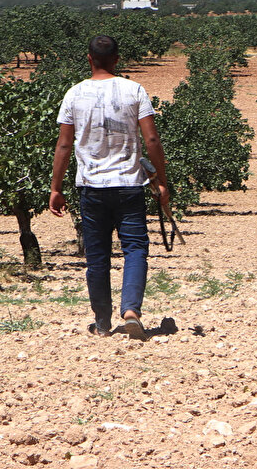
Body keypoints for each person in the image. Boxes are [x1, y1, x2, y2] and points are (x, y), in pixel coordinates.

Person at [49, 35, 169, 340]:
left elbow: (64, 145)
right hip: (129, 184)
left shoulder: (74, 94)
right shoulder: (134, 90)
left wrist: (56, 187)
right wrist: (162, 181)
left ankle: (102, 321)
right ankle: (131, 311)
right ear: (117, 59)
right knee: (136, 247)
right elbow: (152, 140)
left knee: (98, 256)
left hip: (91, 187)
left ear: (89, 59)